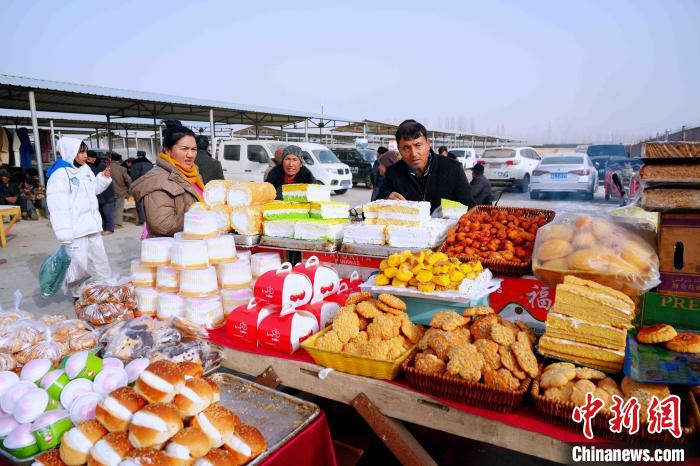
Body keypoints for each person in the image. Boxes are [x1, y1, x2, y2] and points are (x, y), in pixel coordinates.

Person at [46, 137, 113, 297]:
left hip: (92, 225)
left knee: (100, 260)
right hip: (75, 230)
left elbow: (93, 190)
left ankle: (104, 289)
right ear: (70, 152)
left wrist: (102, 178)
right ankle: (79, 296)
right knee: (78, 266)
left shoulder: (86, 170)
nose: (85, 155)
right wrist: (64, 234)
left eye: (85, 151)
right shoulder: (60, 175)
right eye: (80, 152)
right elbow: (58, 207)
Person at [377, 119, 475, 212]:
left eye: (418, 145)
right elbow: (372, 210)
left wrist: (443, 211)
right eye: (406, 148)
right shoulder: (393, 173)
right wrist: (385, 202)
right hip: (408, 229)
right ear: (399, 149)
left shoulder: (453, 168)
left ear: (428, 144)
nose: (414, 154)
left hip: (446, 228)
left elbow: (470, 207)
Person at [130, 121, 204, 237]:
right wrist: (204, 218)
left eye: (194, 149)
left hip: (192, 244)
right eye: (184, 149)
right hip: (172, 248)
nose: (190, 155)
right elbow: (162, 225)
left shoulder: (193, 174)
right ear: (167, 151)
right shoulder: (158, 180)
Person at [129, 151, 153, 225]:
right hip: (150, 185)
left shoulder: (136, 164)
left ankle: (142, 220)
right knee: (149, 202)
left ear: (138, 156)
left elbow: (133, 176)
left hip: (139, 186)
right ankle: (150, 219)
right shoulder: (150, 164)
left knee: (139, 203)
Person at [109, 153, 132, 229]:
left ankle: (110, 223)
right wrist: (129, 187)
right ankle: (118, 224)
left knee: (110, 208)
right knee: (119, 207)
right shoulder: (122, 169)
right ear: (118, 160)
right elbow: (128, 179)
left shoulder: (106, 168)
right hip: (120, 191)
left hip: (109, 191)